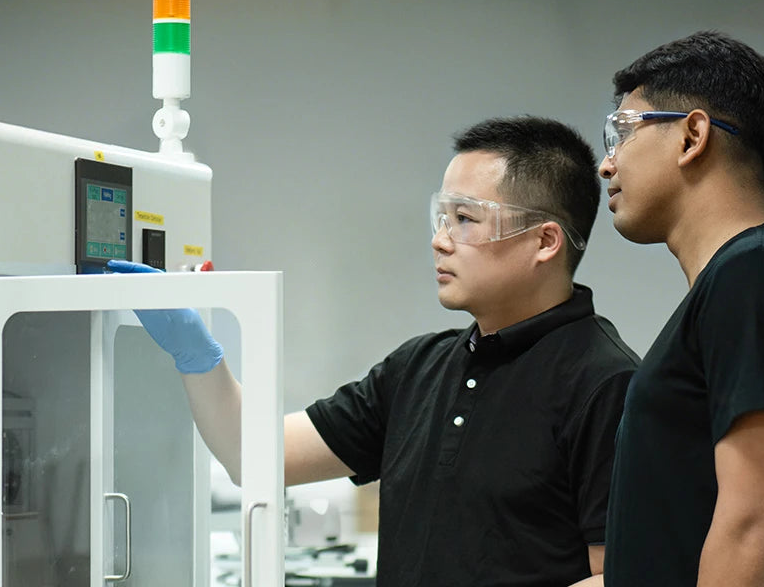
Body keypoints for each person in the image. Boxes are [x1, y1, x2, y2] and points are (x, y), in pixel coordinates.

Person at [110, 115, 639, 587]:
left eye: (466, 219)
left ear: (545, 242)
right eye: (441, 216)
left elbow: (619, 576)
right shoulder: (419, 369)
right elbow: (253, 455)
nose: (440, 239)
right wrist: (198, 359)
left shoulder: (606, 384)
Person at [597, 31, 764, 587]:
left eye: (621, 132)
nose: (607, 163)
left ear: (693, 135)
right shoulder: (742, 279)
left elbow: (755, 525)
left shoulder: (760, 273)